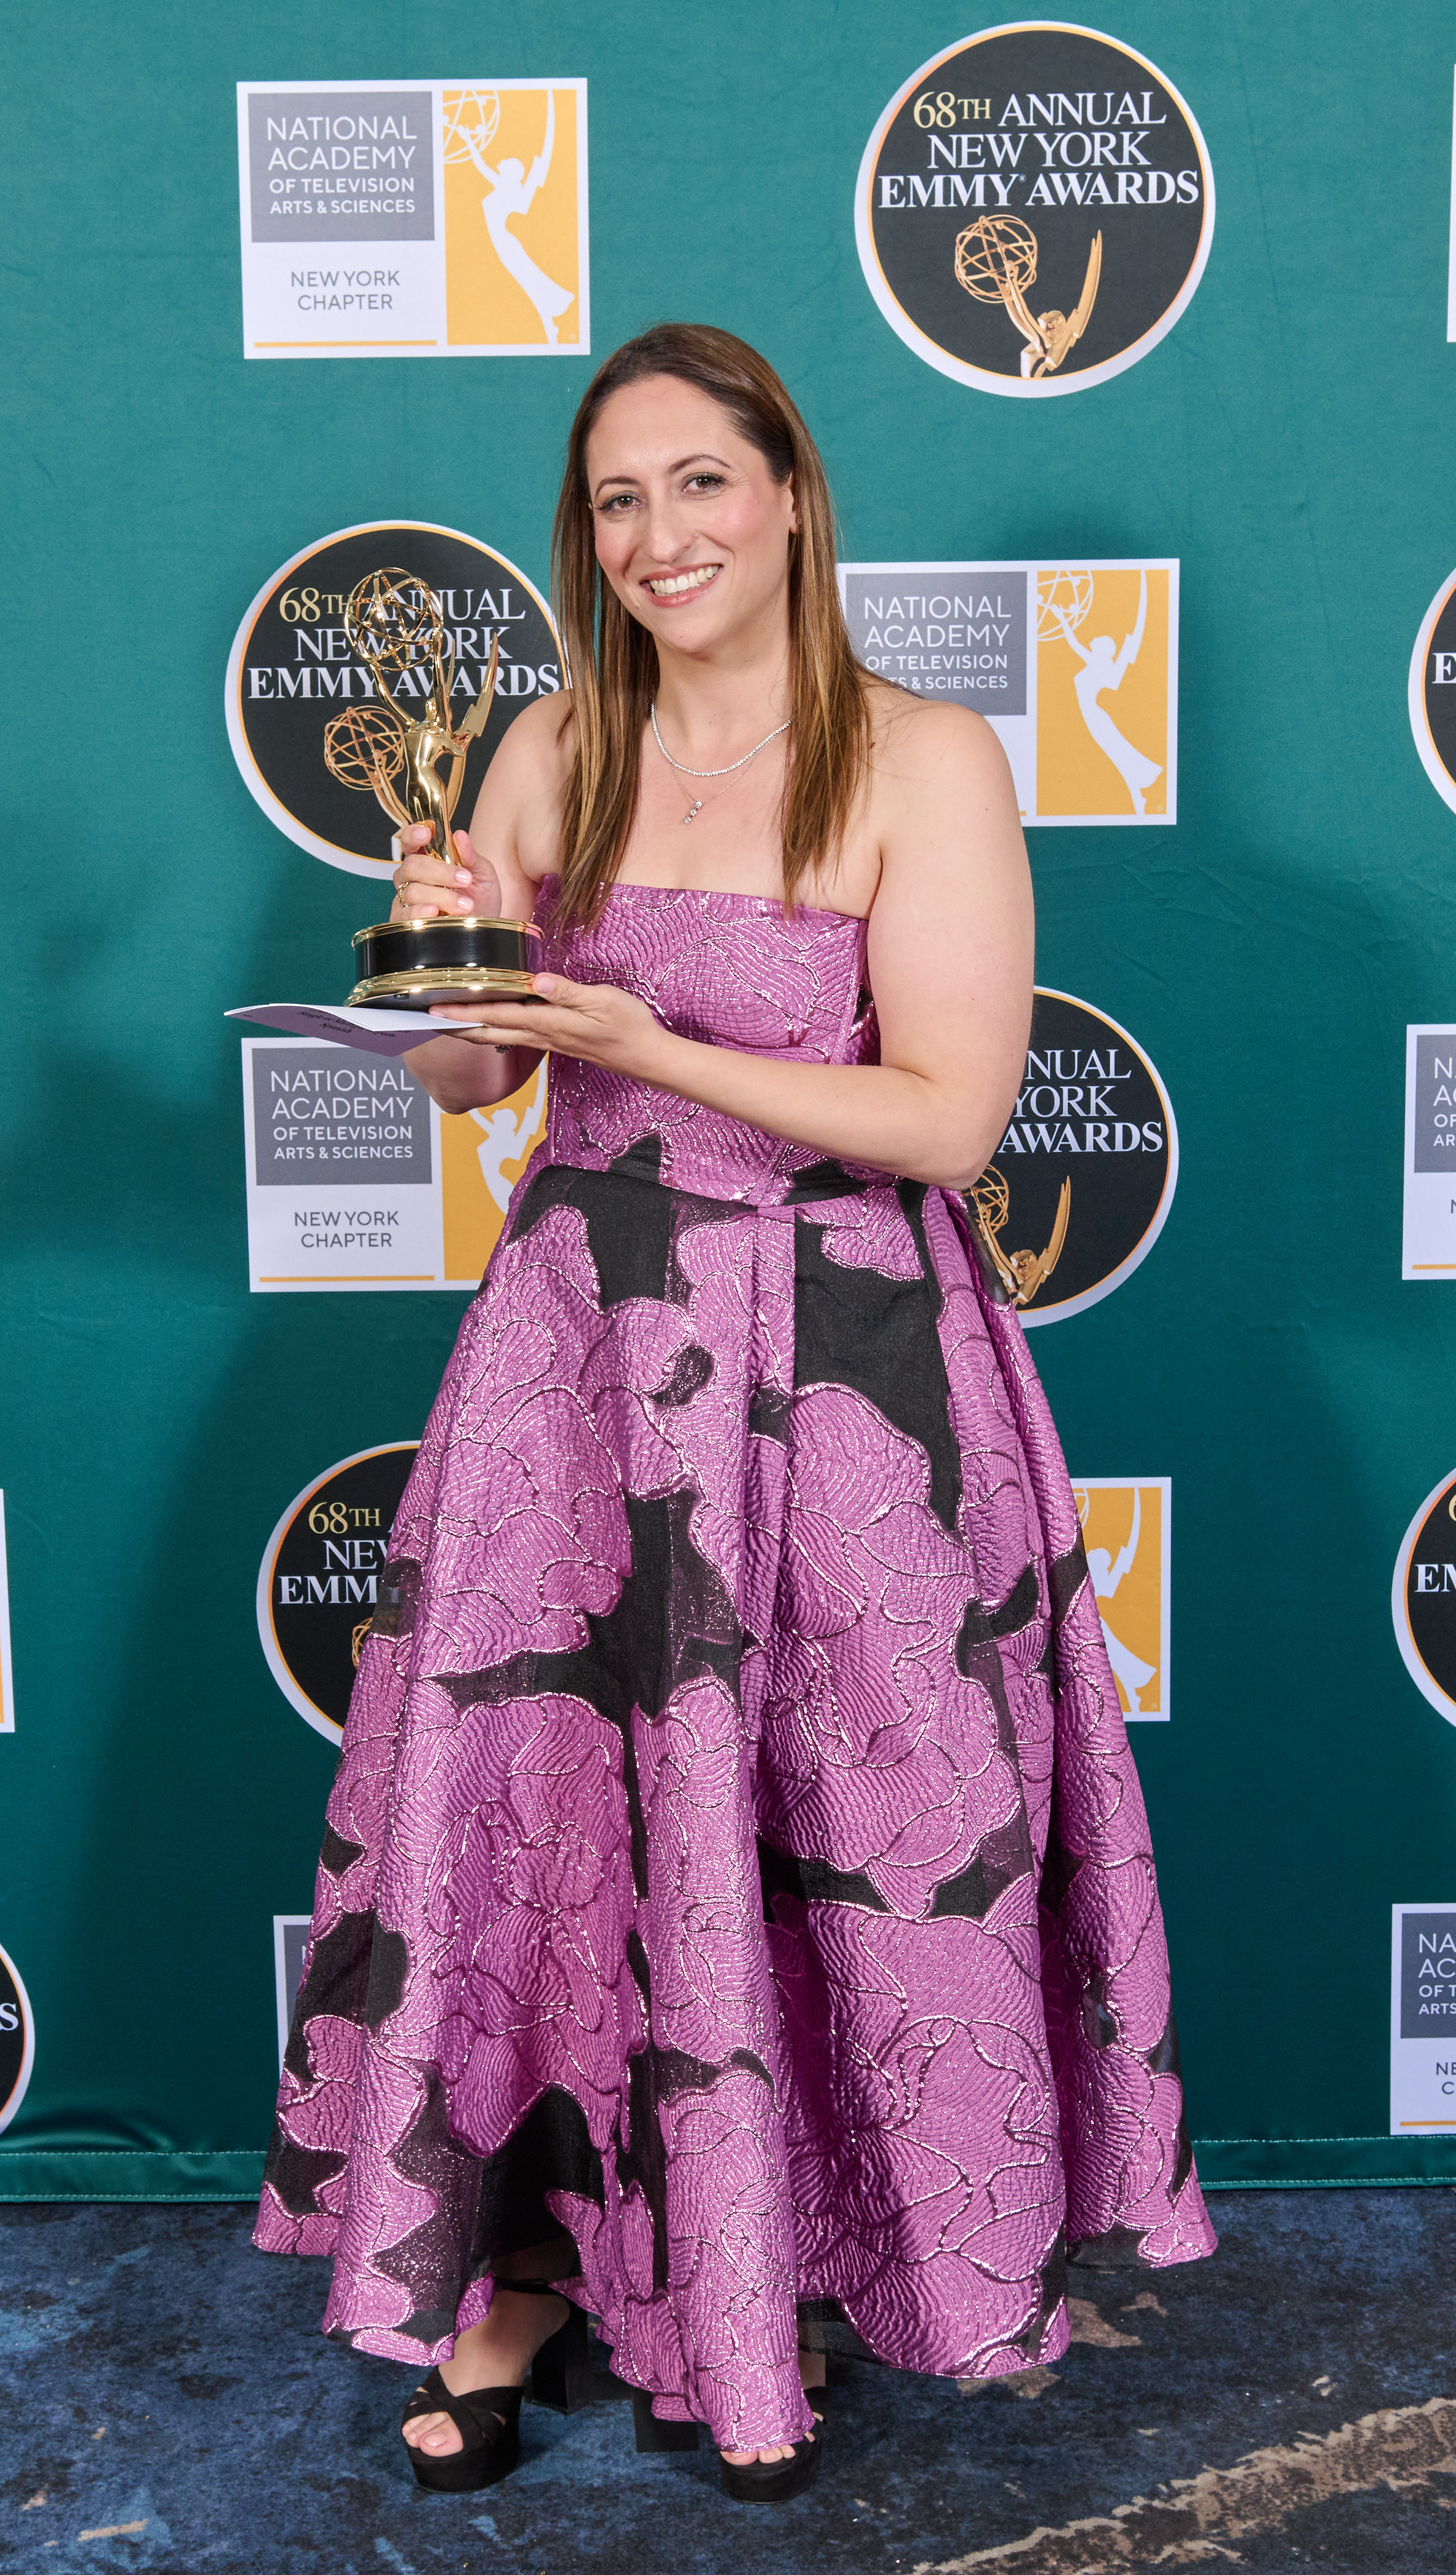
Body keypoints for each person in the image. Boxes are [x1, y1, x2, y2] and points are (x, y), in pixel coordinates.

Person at [255, 324, 1214, 2502]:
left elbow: (947, 1118)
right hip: (579, 1358)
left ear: (787, 494)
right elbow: (478, 1079)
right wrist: (433, 955)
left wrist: (648, 1042)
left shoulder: (920, 759)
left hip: (848, 1373)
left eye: (698, 481)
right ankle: (522, 2275)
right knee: (544, 1820)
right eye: (617, 498)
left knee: (833, 1819)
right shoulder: (550, 745)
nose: (658, 533)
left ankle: (764, 2270)